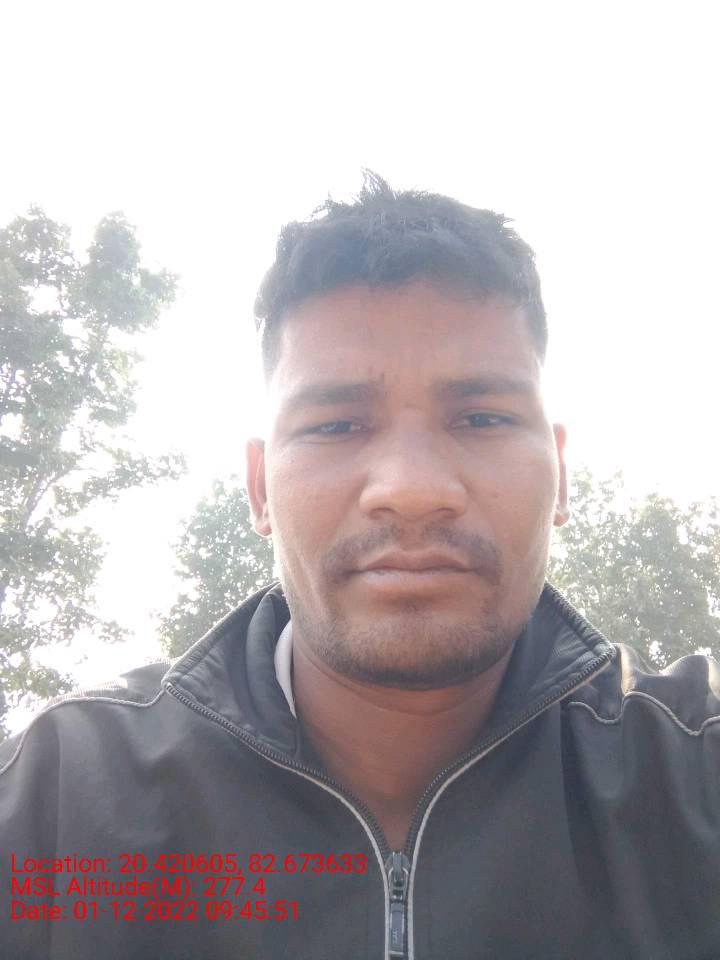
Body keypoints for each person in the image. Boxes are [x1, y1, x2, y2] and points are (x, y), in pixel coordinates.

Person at [1, 174, 718, 960]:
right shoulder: (54, 797)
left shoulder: (694, 779)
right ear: (259, 489)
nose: (411, 490)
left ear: (560, 475)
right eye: (337, 425)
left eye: (482, 418)